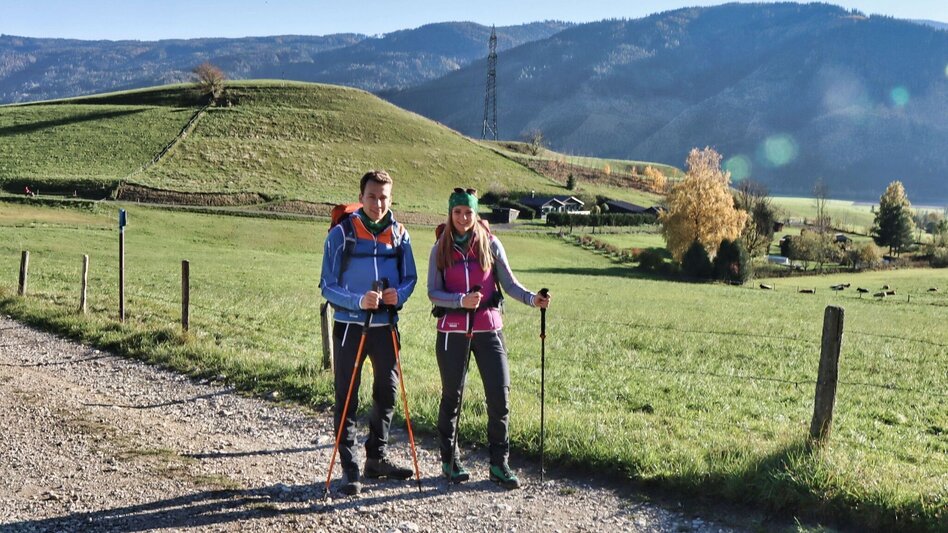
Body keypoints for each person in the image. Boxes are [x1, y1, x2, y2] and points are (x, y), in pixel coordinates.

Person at [428, 187, 551, 490]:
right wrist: (460, 301)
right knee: (452, 396)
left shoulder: (491, 244)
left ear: (475, 212)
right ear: (450, 212)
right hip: (452, 332)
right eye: (457, 212)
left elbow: (509, 283)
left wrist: (533, 299)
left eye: (468, 212)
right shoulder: (440, 247)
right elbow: (433, 291)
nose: (463, 217)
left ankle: (499, 464)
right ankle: (450, 460)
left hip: (489, 329)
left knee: (500, 396)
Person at [320, 170, 418, 496]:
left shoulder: (400, 235)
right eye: (372, 196)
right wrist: (358, 300)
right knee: (347, 397)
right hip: (349, 327)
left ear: (391, 198)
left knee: (387, 394)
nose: (378, 203)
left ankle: (376, 458)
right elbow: (327, 286)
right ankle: (349, 469)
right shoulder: (341, 235)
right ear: (361, 197)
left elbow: (410, 279)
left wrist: (398, 296)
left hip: (385, 328)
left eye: (384, 197)